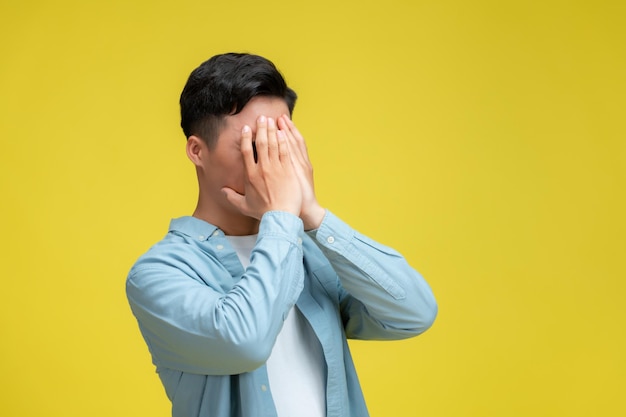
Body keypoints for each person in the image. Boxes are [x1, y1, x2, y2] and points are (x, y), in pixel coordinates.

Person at [126, 52, 437, 417]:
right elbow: (247, 341)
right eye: (253, 143)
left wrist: (312, 215)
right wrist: (281, 216)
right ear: (198, 151)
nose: (271, 160)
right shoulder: (159, 272)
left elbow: (412, 313)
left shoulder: (308, 253)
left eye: (281, 141)